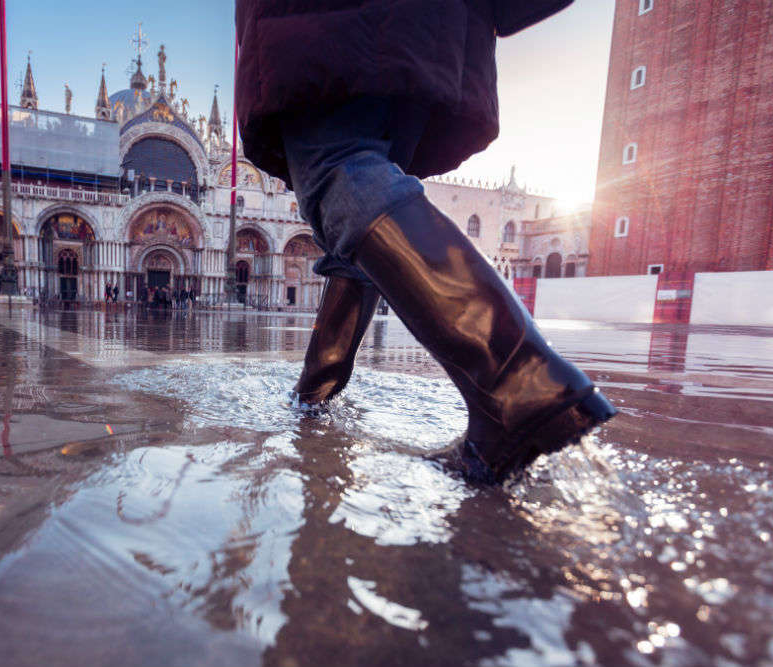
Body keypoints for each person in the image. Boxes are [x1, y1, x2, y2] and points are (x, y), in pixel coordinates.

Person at [235, 0, 615, 482]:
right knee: (359, 203)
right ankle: (314, 393)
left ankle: (519, 382)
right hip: (427, 27)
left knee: (337, 168)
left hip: (331, 20)